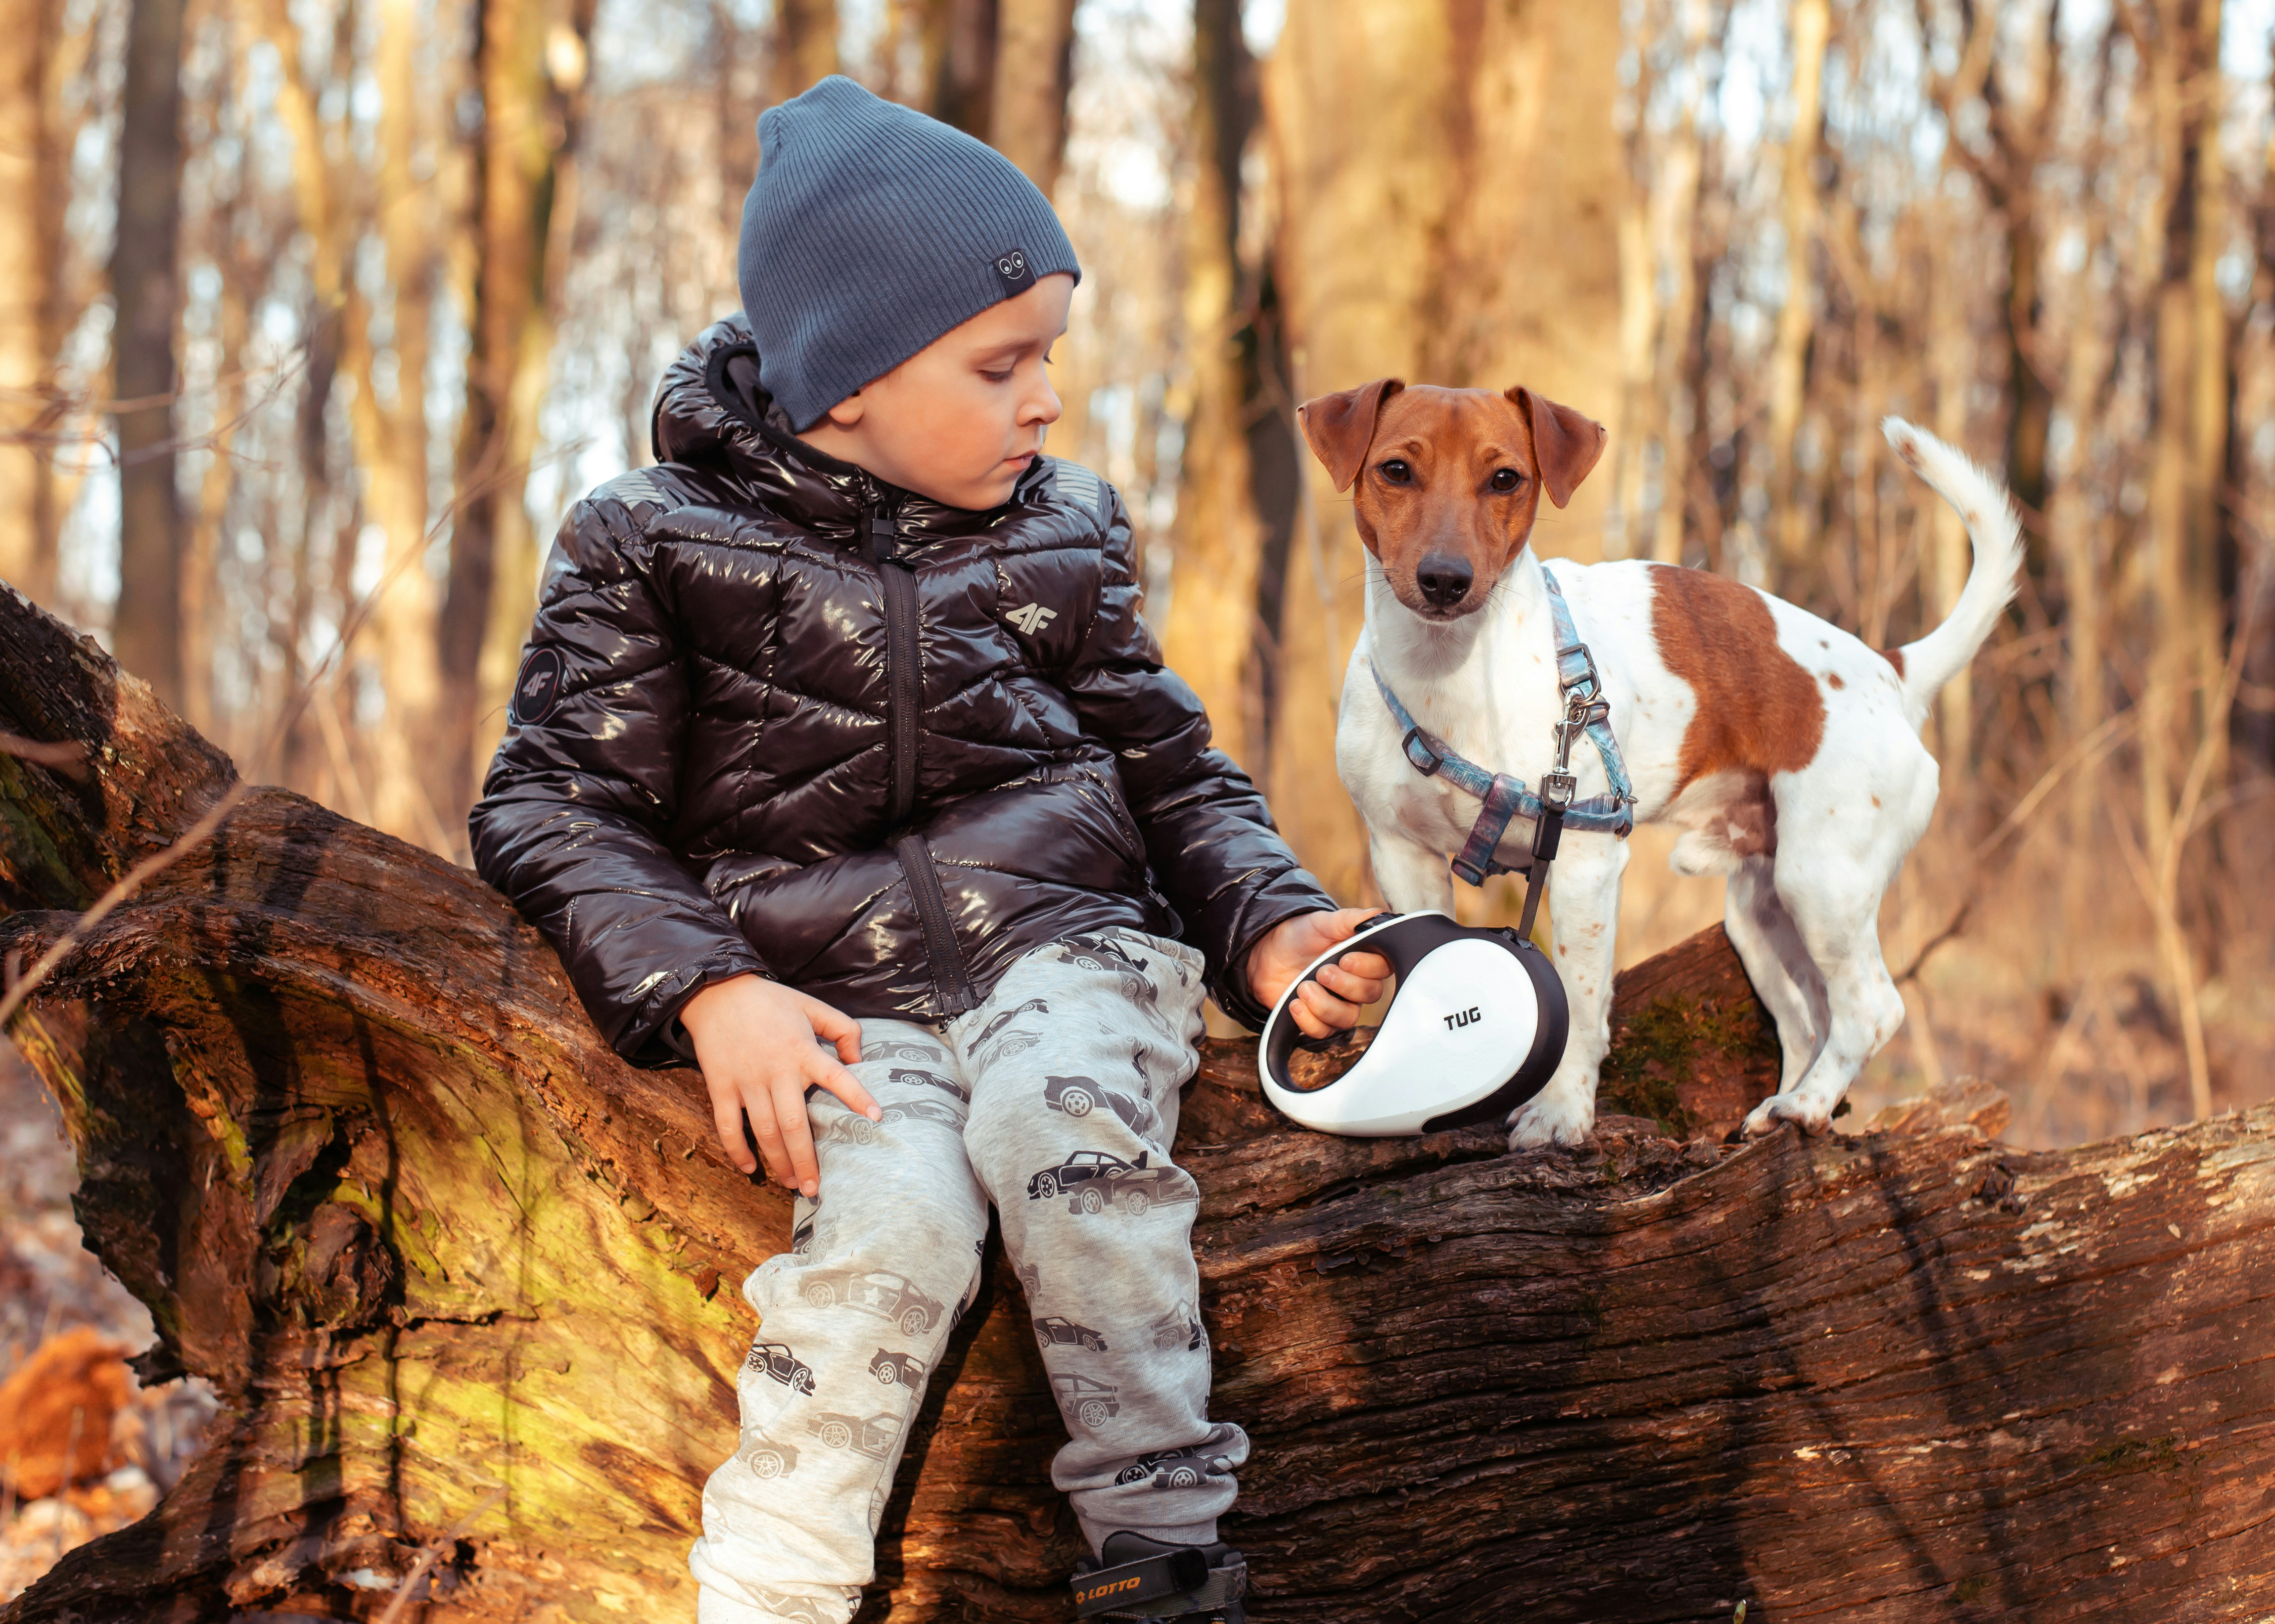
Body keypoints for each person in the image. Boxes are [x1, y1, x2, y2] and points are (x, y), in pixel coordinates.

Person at [469, 75, 1388, 1624]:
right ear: (847, 382)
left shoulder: (1063, 529)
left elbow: (1173, 769)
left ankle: (1165, 1555)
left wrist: (1274, 922)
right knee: (885, 1235)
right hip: (831, 993)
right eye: (1002, 364)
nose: (1047, 401)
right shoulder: (649, 542)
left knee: (1070, 1150)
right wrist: (708, 988)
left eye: (1052, 358)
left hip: (1070, 945)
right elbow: (554, 804)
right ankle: (771, 1590)